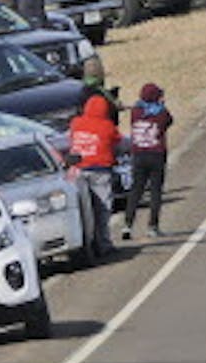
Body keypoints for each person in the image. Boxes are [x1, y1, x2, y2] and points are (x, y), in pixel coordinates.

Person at [70, 94, 121, 255]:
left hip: (78, 170)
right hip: (101, 170)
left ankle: (87, 243)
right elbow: (118, 140)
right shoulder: (107, 126)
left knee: (84, 210)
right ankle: (104, 243)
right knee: (103, 208)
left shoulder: (76, 123)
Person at [122, 83, 172, 240]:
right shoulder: (161, 113)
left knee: (136, 190)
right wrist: (161, 107)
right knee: (155, 191)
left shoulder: (136, 112)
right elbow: (168, 122)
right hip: (156, 154)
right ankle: (153, 226)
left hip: (138, 155)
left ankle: (127, 225)